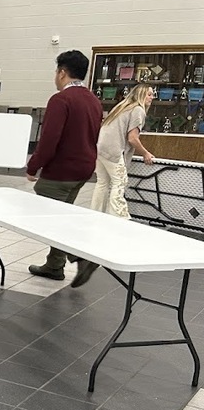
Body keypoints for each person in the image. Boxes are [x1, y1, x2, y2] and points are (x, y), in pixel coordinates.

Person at [26, 50, 104, 283]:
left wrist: (34, 165)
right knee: (62, 213)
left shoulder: (61, 100)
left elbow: (50, 139)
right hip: (84, 167)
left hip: (62, 169)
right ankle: (54, 265)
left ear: (62, 72)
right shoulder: (93, 100)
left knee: (48, 217)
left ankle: (83, 256)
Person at [72, 84, 156, 288]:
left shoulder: (121, 106)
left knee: (102, 183)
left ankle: (96, 215)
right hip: (113, 151)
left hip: (100, 150)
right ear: (141, 95)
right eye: (150, 94)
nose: (152, 97)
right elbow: (132, 138)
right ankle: (119, 218)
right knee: (120, 181)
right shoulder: (137, 110)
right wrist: (145, 153)